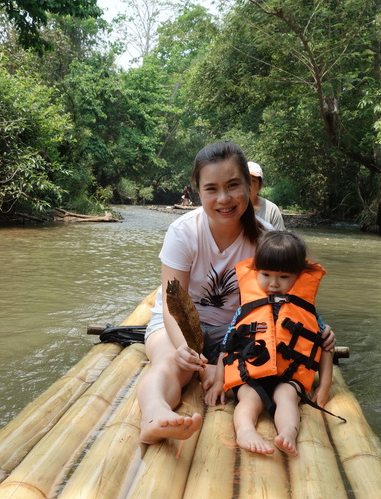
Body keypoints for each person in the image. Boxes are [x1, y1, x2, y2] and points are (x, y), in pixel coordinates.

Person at [138, 142, 335, 445]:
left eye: (233, 186)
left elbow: (291, 299)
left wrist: (320, 330)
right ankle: (154, 417)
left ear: (249, 186)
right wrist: (189, 351)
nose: (224, 199)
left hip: (240, 332)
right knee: (170, 362)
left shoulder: (267, 238)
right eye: (212, 189)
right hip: (180, 326)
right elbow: (171, 300)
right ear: (198, 191)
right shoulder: (184, 232)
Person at [205, 231, 333, 456]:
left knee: (287, 397)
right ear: (256, 271)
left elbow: (326, 348)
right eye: (266, 274)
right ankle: (245, 431)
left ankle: (287, 433)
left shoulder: (306, 310)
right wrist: (218, 382)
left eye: (284, 277)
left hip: (288, 376)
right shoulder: (247, 308)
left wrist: (324, 387)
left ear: (298, 275)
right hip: (251, 375)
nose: (273, 283)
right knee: (249, 398)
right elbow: (228, 344)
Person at [247, 162, 286, 230]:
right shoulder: (232, 209)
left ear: (260, 185)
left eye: (253, 181)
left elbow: (280, 238)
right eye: (245, 180)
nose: (248, 184)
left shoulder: (272, 210)